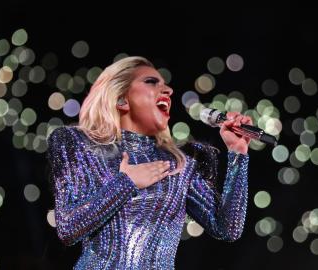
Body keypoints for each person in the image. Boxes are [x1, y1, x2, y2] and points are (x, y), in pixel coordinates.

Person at [47, 56, 252, 269]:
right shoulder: (79, 144)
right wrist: (126, 183)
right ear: (121, 99)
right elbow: (68, 228)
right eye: (152, 82)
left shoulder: (180, 163)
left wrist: (238, 153)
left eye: (166, 85)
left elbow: (228, 228)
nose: (169, 90)